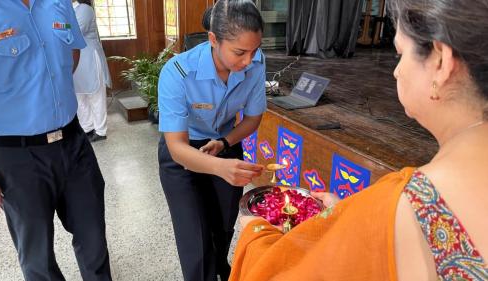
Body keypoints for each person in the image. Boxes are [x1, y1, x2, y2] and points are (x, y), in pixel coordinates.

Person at [230, 0, 488, 280]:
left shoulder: (410, 205)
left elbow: (278, 273)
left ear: (440, 62)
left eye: (400, 54)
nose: (396, 70)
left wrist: (257, 234)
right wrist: (347, 216)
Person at [0, 1, 112, 280]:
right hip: (16, 156)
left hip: (73, 142)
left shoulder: (58, 3)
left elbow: (72, 55)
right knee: (37, 257)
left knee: (93, 238)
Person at [157, 1, 266, 280]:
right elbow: (177, 148)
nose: (248, 61)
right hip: (184, 152)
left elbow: (252, 119)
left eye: (254, 50)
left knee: (223, 225)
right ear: (213, 40)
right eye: (239, 52)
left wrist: (225, 143)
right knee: (195, 237)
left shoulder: (255, 63)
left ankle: (218, 268)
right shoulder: (177, 72)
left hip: (224, 144)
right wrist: (219, 167)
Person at [72, 0, 112, 142]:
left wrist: (56, 26)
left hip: (88, 58)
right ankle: (87, 128)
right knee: (80, 96)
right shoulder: (65, 10)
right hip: (74, 60)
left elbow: (74, 31)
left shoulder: (84, 9)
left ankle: (101, 131)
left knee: (96, 96)